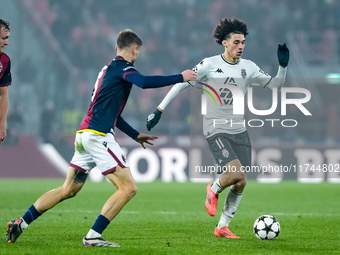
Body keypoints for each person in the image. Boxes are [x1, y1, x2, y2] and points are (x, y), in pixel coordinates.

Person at [6, 29, 197, 247]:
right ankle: (93, 236)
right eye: (138, 52)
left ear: (117, 48)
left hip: (84, 135)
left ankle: (20, 224)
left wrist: (134, 135)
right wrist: (179, 77)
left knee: (68, 189)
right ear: (135, 49)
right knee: (128, 188)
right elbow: (143, 82)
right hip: (98, 136)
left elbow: (111, 112)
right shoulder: (123, 68)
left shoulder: (107, 70)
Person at [146, 18, 289, 239]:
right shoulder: (209, 65)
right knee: (235, 173)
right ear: (224, 42)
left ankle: (222, 227)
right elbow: (181, 83)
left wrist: (282, 67)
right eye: (236, 42)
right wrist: (159, 109)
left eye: (243, 42)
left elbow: (276, 85)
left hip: (239, 129)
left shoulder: (249, 67)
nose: (241, 46)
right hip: (215, 128)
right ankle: (213, 188)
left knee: (241, 181)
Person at [0, 19, 11, 144]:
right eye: (3, 38)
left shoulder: (5, 61)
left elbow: (3, 94)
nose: (7, 42)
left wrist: (2, 126)